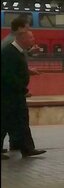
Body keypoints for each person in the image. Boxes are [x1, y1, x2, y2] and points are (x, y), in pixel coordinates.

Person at [1, 26, 46, 158]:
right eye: (31, 37)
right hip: (9, 95)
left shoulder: (17, 51)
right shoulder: (10, 52)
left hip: (15, 93)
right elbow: (8, 75)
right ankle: (26, 148)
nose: (33, 39)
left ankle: (27, 148)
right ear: (22, 38)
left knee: (21, 121)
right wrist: (22, 89)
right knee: (5, 122)